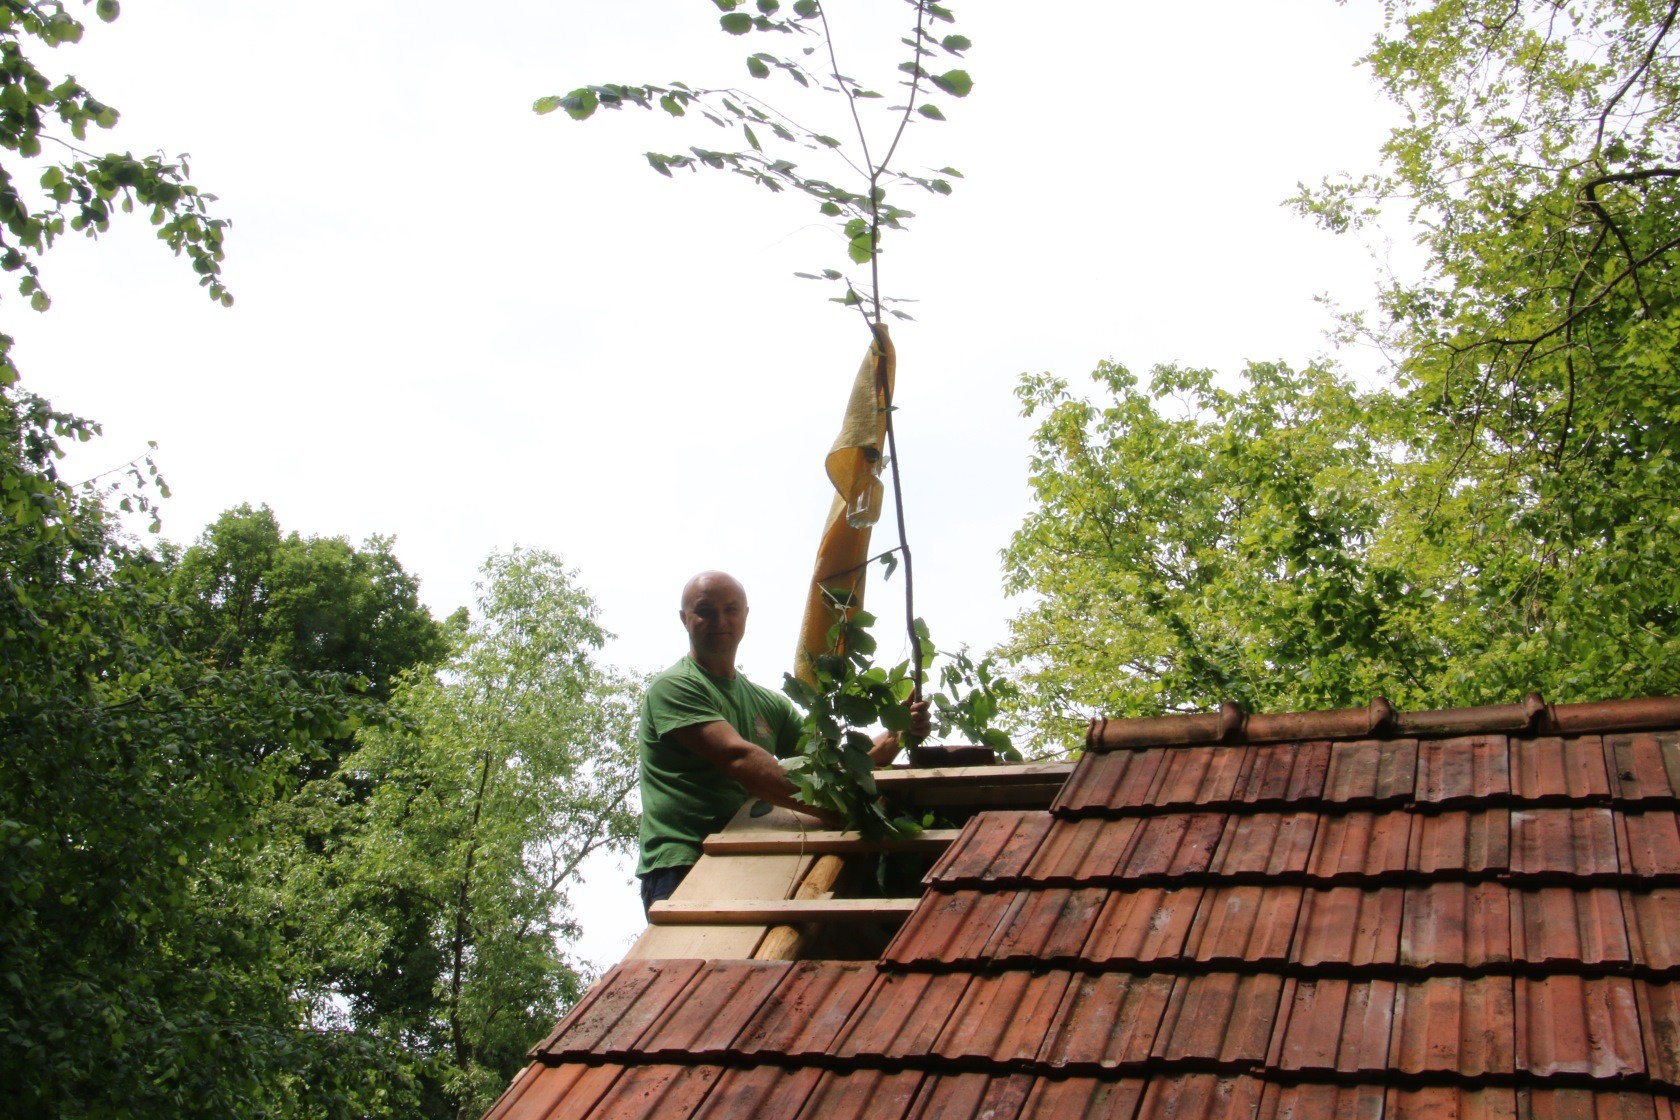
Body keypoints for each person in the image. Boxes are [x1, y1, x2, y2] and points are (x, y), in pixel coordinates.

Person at [635, 570, 930, 916]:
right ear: (684, 619)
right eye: (705, 611)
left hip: (749, 854)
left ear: (746, 614)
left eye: (731, 609)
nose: (721, 620)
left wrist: (896, 734)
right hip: (684, 860)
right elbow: (739, 759)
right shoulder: (675, 687)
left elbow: (828, 765)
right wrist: (840, 809)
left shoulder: (769, 704)